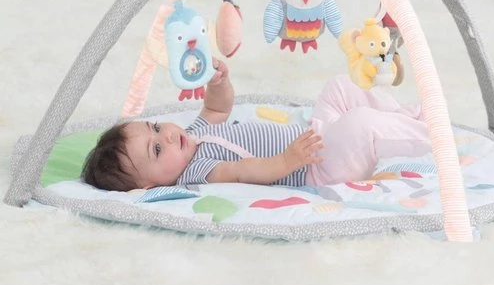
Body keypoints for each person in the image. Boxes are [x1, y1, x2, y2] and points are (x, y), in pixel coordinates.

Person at [82, 58, 432, 192]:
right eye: (157, 149)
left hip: (316, 138)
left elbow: (216, 109)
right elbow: (241, 172)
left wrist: (219, 83)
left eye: (157, 127)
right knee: (359, 125)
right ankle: (432, 135)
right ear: (147, 186)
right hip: (317, 167)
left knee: (340, 87)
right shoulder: (197, 172)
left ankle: (406, 117)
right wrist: (288, 161)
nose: (169, 136)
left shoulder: (193, 136)